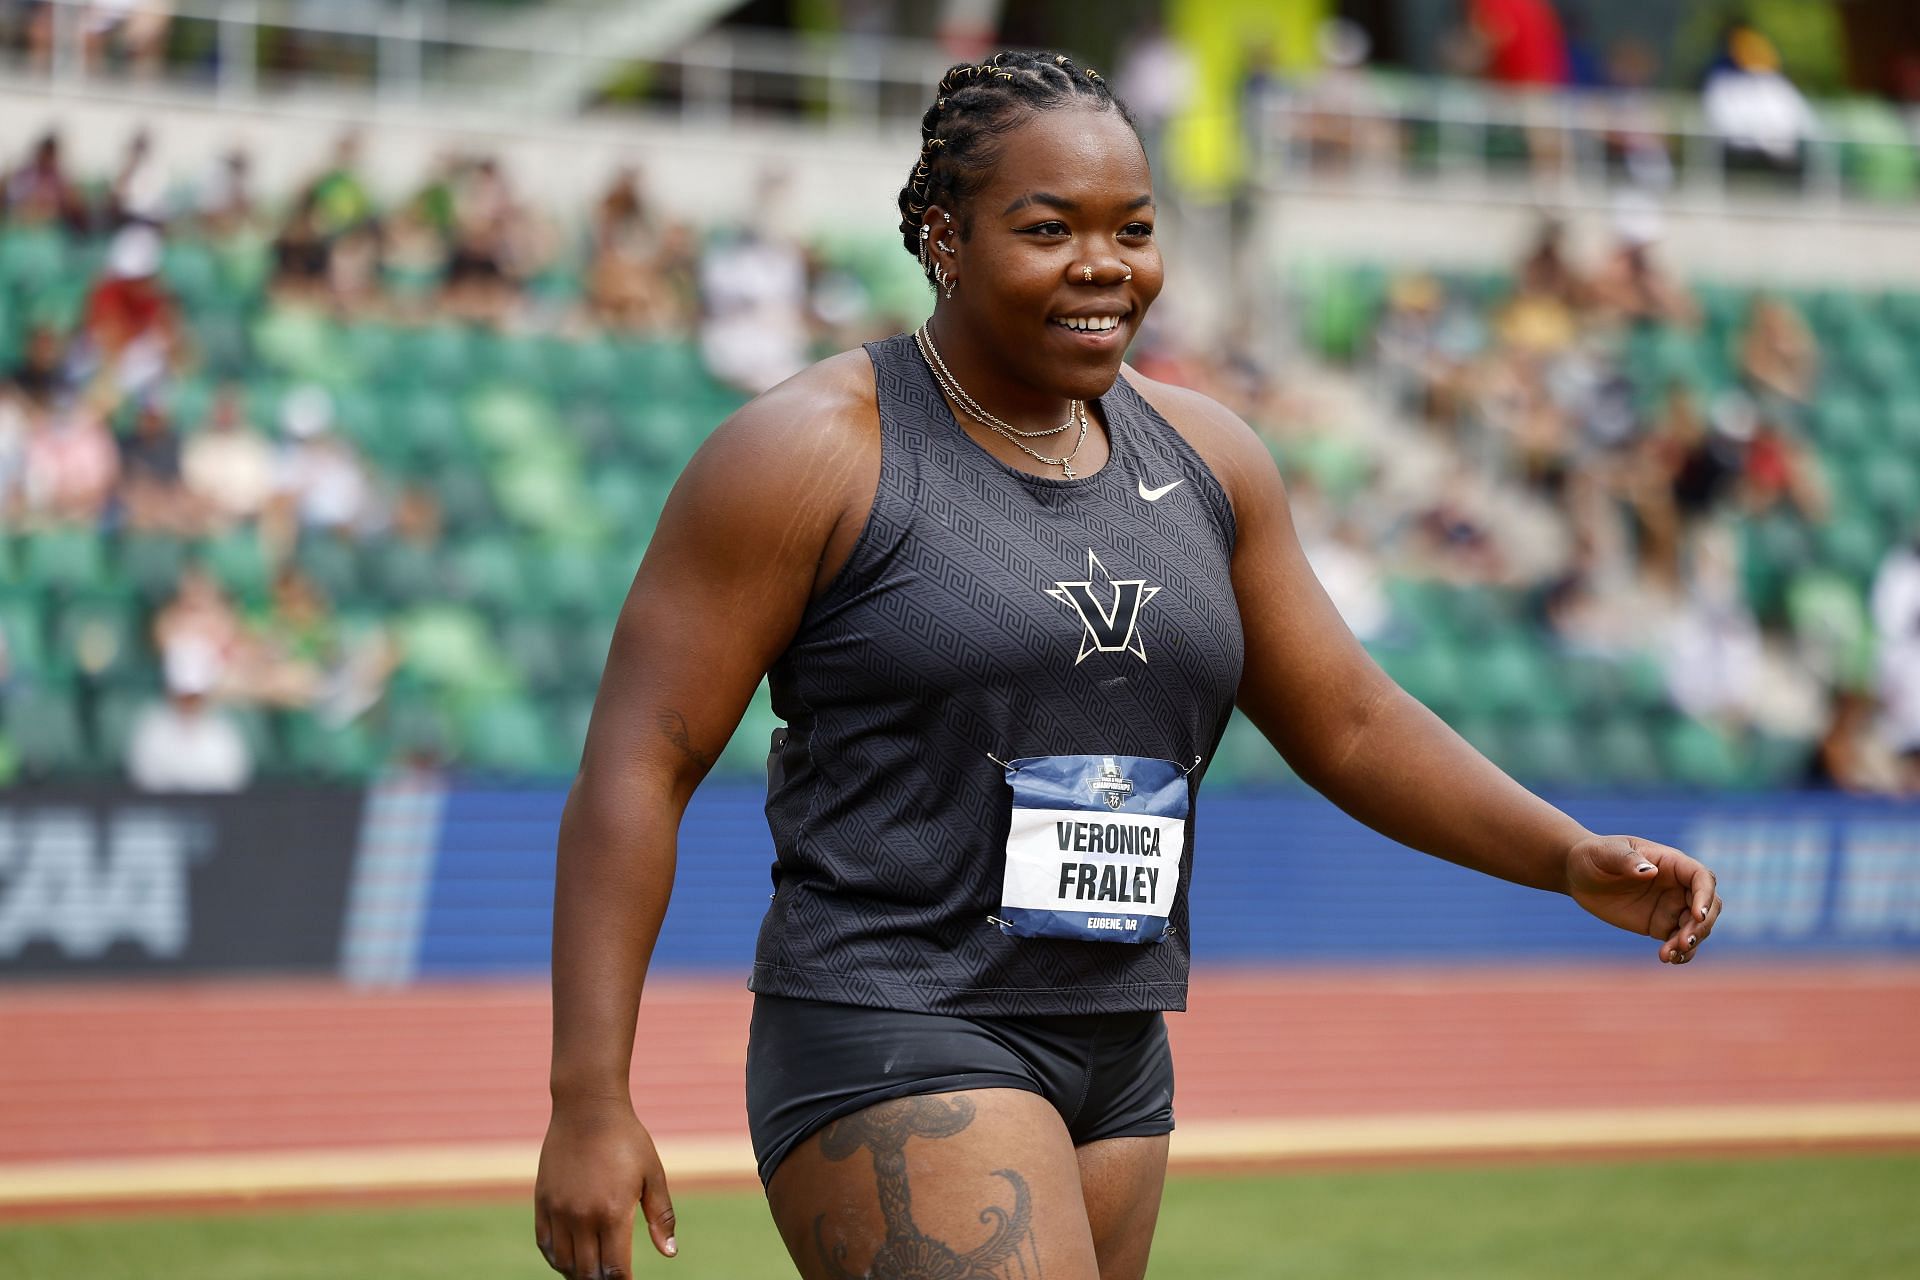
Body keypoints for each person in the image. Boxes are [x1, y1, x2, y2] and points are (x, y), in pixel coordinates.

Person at [534, 50, 1723, 1280]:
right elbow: (639, 765)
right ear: (944, 236)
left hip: (1118, 1043)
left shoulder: (1209, 455)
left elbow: (1353, 719)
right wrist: (588, 1096)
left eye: (1134, 229)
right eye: (1049, 228)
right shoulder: (811, 454)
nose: (1106, 265)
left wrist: (1561, 852)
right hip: (897, 1020)